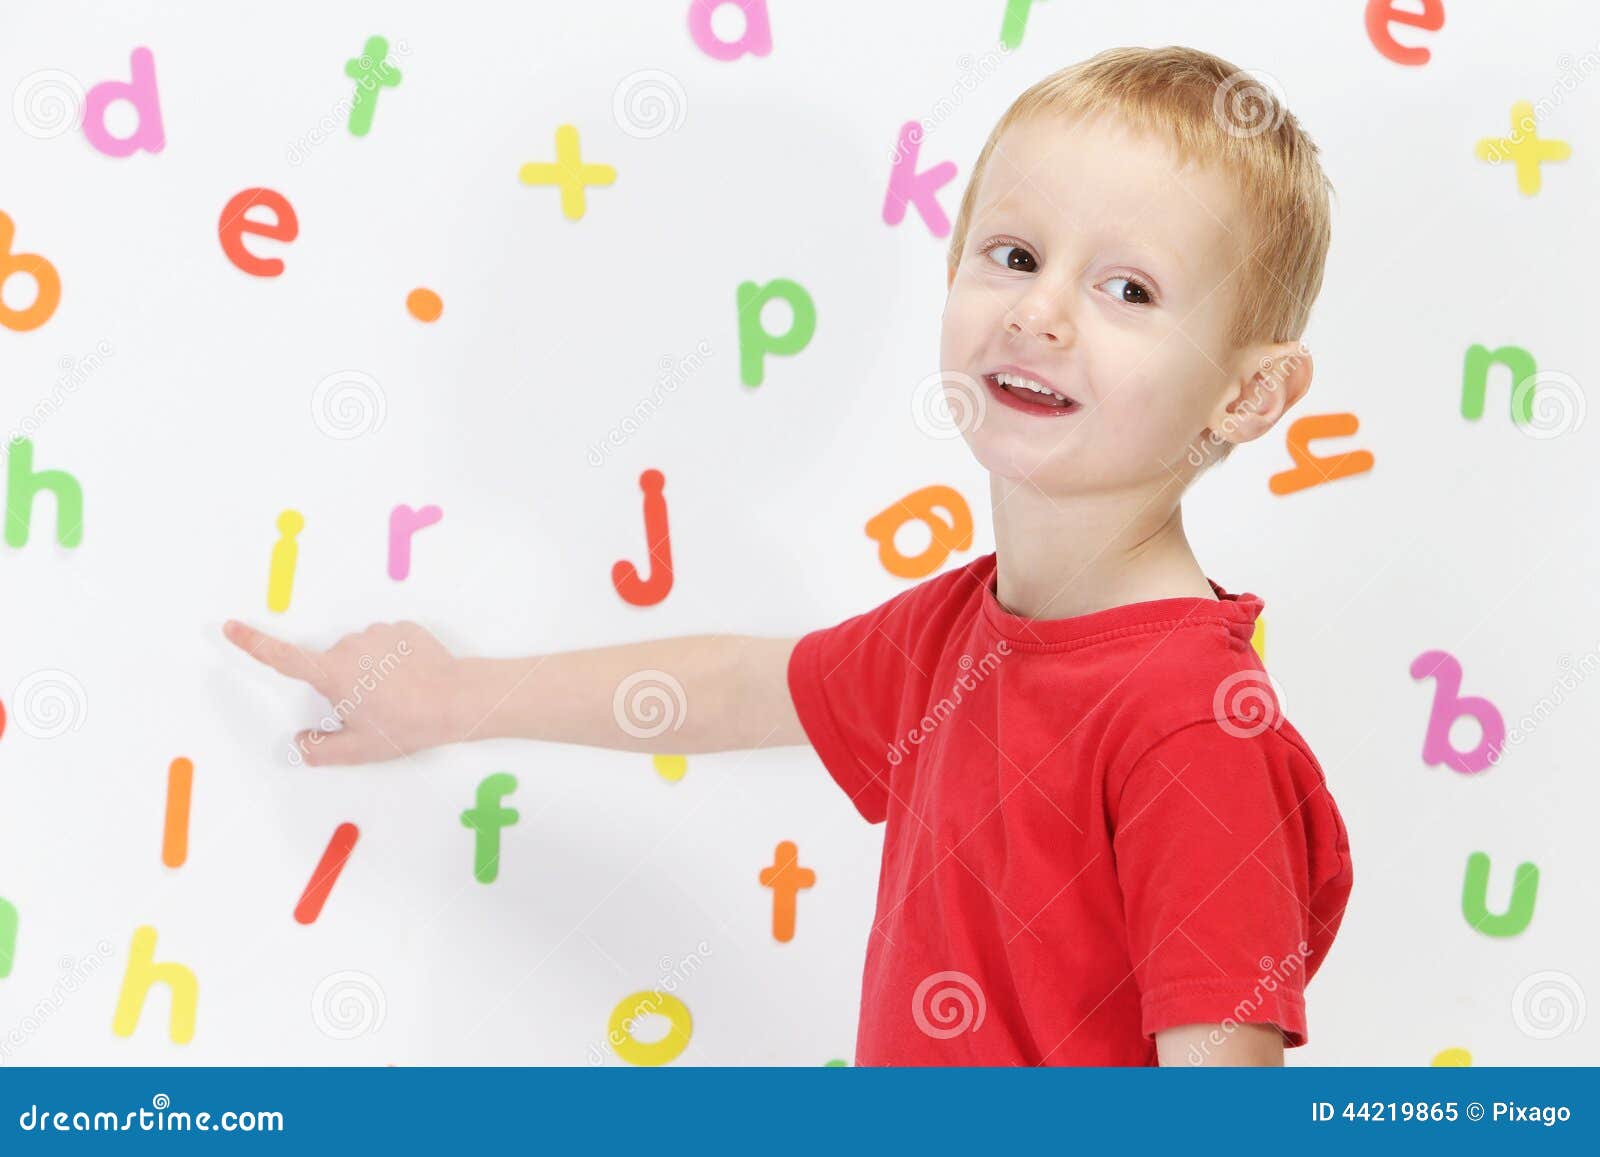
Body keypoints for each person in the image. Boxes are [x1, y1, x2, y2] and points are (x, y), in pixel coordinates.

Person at [224, 45, 1353, 1067]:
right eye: (1013, 254)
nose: (1041, 313)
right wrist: (447, 697)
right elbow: (727, 687)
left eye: (1128, 289)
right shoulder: (956, 635)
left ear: (1250, 392)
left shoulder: (1193, 728)